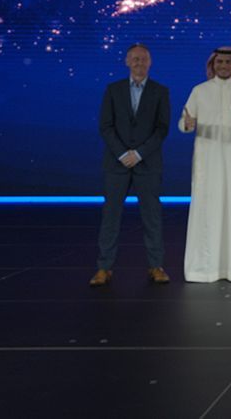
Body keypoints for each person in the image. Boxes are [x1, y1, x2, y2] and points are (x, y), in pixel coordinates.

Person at [178, 46, 231, 282]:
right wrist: (187, 124)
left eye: (228, 62)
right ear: (212, 64)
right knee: (208, 211)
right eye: (219, 62)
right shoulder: (200, 91)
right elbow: (184, 122)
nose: (223, 66)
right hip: (208, 163)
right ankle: (204, 269)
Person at [91, 43, 171, 286]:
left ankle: (156, 266)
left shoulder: (160, 91)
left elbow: (162, 129)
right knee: (111, 216)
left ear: (150, 62)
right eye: (135, 59)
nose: (139, 63)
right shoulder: (113, 90)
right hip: (117, 164)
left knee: (152, 216)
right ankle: (104, 268)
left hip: (147, 164)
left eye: (143, 59)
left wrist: (139, 153)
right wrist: (122, 153)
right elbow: (105, 126)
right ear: (127, 62)